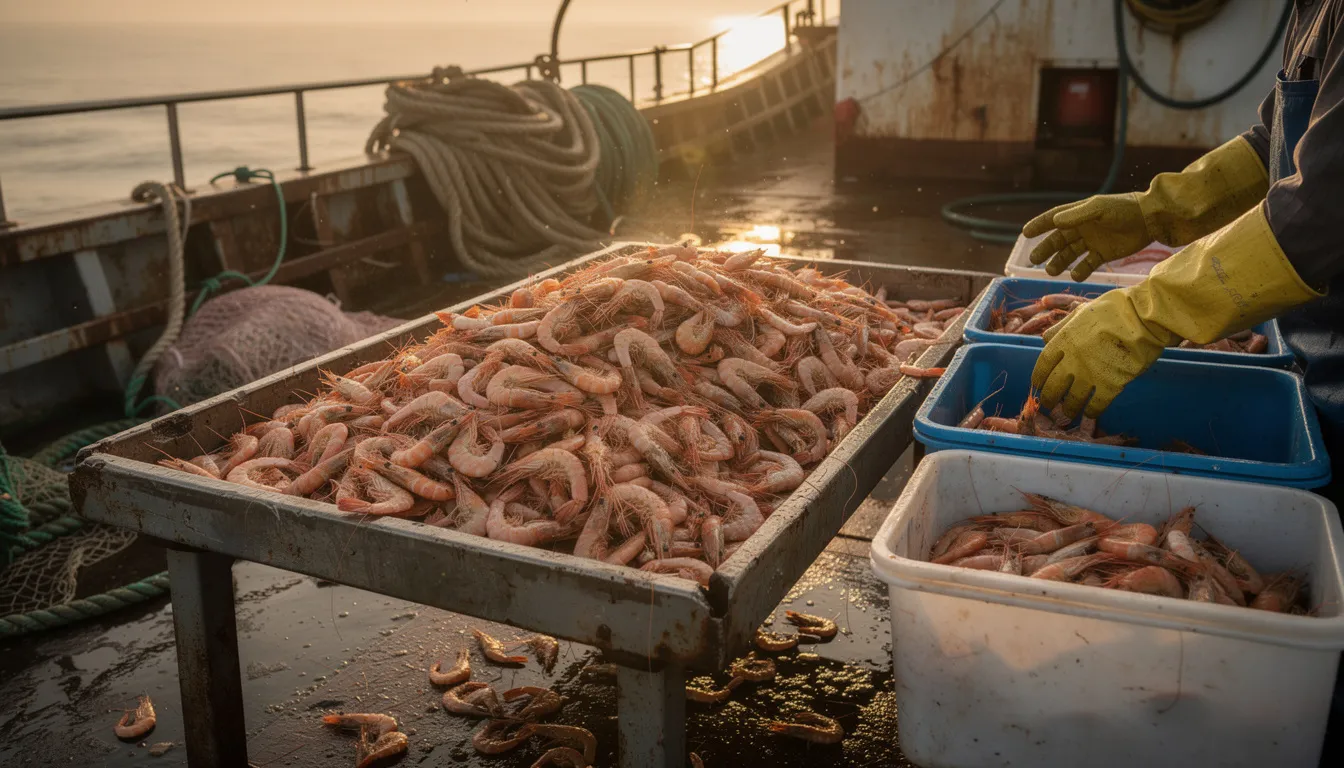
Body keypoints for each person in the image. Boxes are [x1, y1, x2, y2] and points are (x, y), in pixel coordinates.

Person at [1022, 0, 1342, 484]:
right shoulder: (1311, 7)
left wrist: (1147, 312)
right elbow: (1273, 146)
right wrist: (1156, 210)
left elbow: (1323, 206)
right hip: (1318, 364)